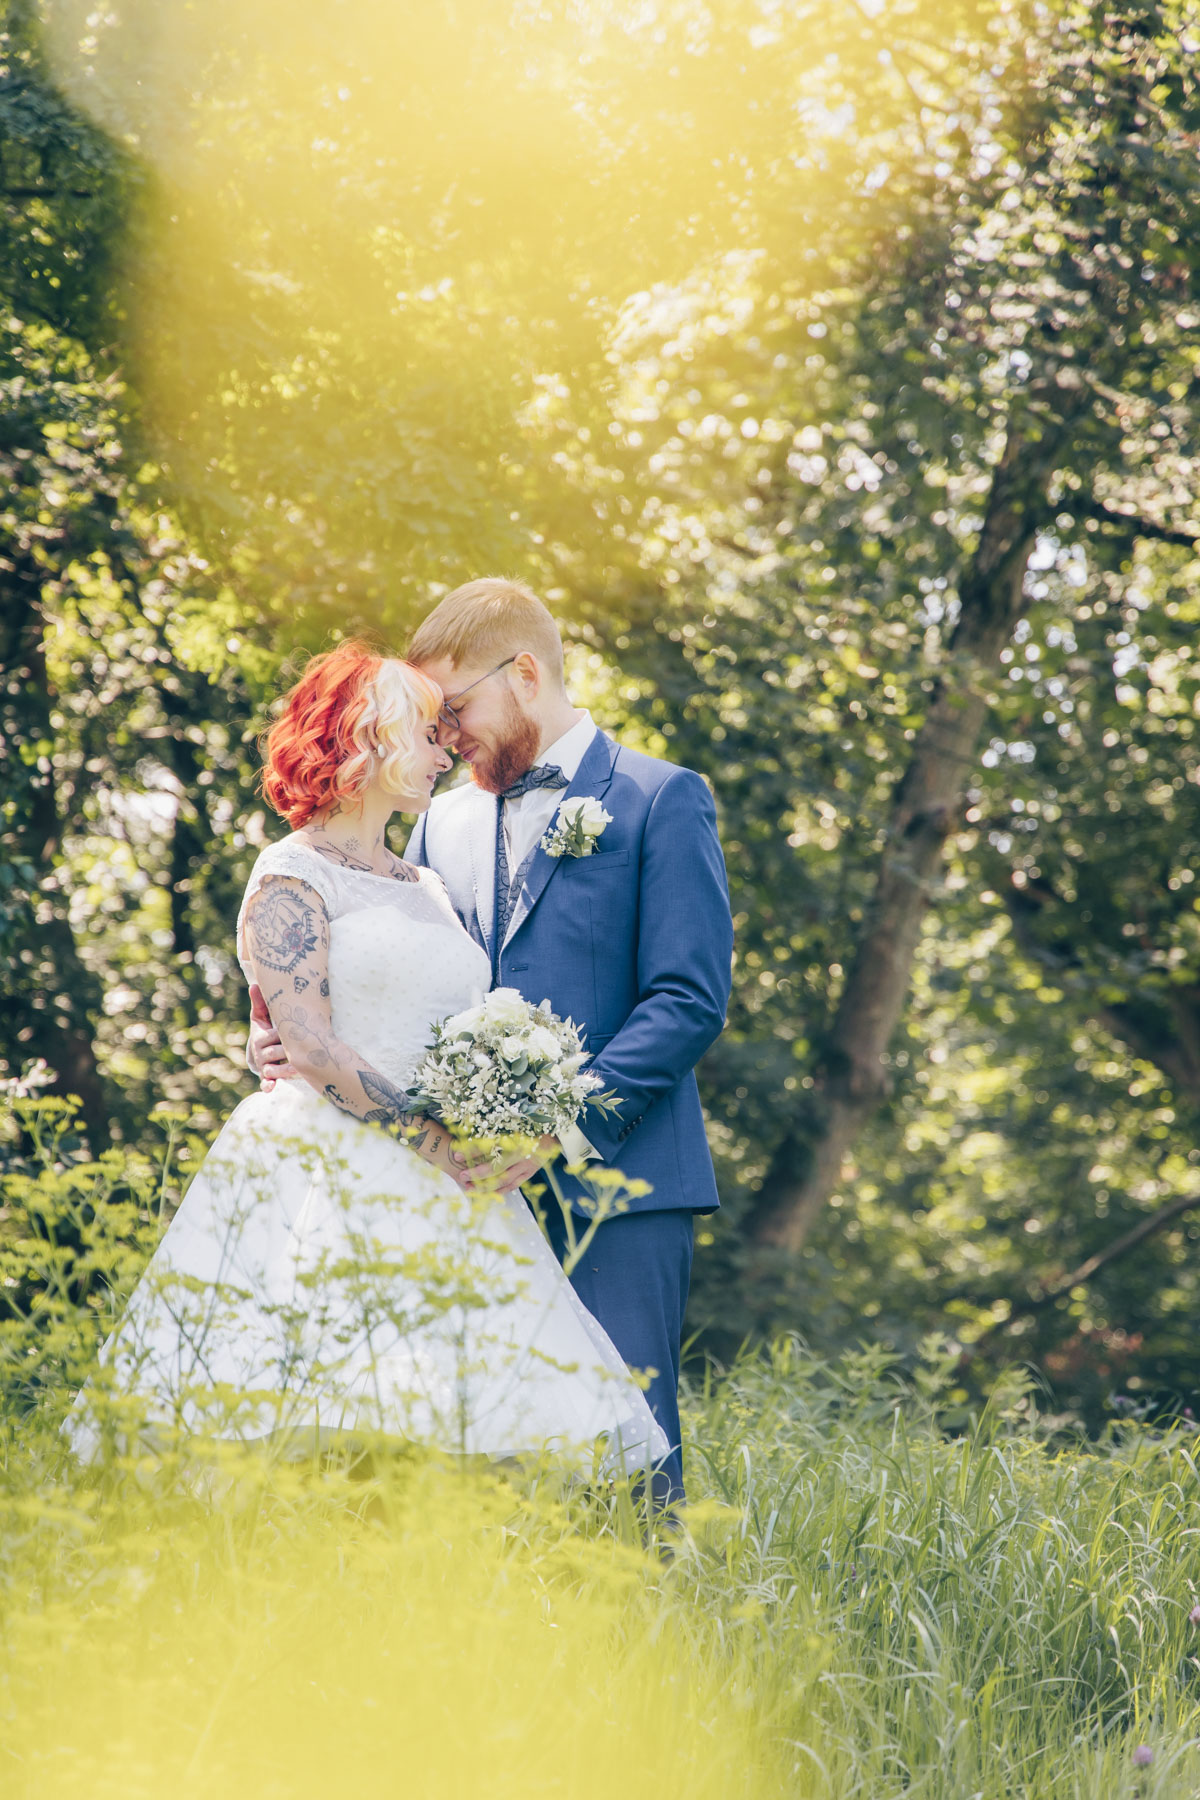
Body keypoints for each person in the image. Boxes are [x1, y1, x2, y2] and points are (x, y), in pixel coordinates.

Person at [71, 642, 668, 1474]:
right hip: (327, 1169)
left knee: (453, 1428)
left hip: (454, 1189)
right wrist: (433, 1143)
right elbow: (308, 1043)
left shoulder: (421, 883)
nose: (442, 749)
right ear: (366, 736)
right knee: (311, 1415)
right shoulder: (290, 872)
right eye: (424, 733)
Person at [257, 583, 733, 1506]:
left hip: (616, 1182)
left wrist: (556, 1130)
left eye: (455, 709)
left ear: (524, 675)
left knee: (628, 1464)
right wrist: (277, 1033)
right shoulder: (441, 820)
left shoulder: (656, 798)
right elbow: (379, 962)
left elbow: (688, 999)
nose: (442, 738)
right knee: (480, 1467)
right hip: (459, 1193)